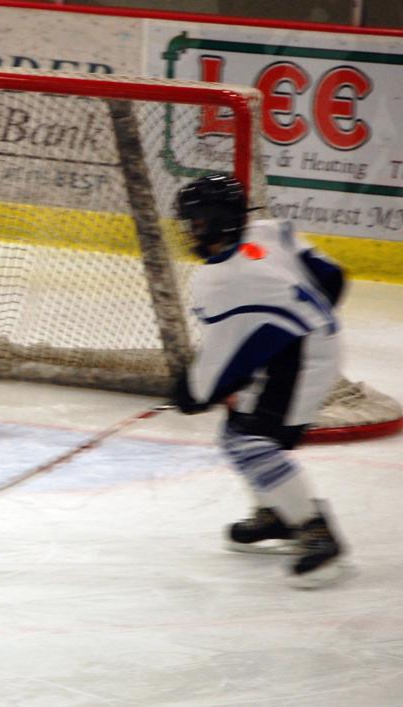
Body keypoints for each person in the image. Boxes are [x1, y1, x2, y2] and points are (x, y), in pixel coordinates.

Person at [172, 173, 352, 589]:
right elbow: (332, 276)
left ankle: (314, 530)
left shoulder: (220, 279)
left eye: (196, 221)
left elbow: (220, 360)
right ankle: (277, 513)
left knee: (251, 442)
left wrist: (192, 392)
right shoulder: (267, 231)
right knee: (238, 429)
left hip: (304, 360)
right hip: (296, 347)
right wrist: (292, 320)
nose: (190, 230)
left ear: (217, 222)